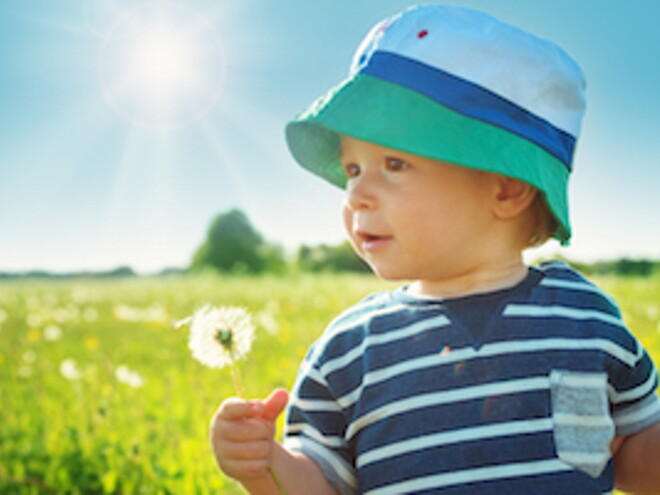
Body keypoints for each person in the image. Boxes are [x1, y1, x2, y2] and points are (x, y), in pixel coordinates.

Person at [210, 4, 660, 494]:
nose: (355, 193)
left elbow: (633, 459)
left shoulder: (586, 320)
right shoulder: (347, 351)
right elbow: (321, 485)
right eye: (353, 169)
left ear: (507, 186)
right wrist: (264, 464)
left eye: (395, 163)